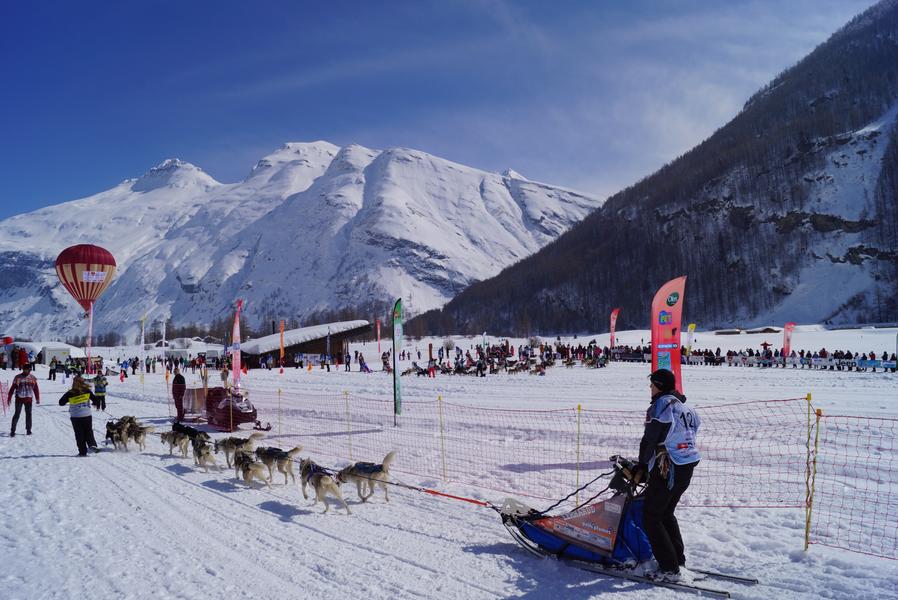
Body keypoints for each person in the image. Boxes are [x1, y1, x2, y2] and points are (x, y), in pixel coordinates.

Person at [635, 368, 701, 582]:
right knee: (666, 513)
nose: (650, 387)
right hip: (687, 463)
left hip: (668, 467)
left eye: (652, 384)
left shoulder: (661, 405)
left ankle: (669, 569)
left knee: (651, 517)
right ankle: (677, 560)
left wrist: (642, 465)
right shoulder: (687, 407)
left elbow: (650, 438)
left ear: (660, 385)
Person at [58, 375, 99, 456]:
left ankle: (82, 452)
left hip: (76, 416)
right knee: (88, 431)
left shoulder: (71, 392)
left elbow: (61, 402)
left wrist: (69, 399)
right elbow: (96, 400)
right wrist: (94, 403)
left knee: (79, 434)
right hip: (87, 415)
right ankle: (92, 444)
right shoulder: (87, 391)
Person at [8, 363, 40, 436]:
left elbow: (36, 389)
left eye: (30, 370)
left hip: (28, 399)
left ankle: (28, 430)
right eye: (28, 369)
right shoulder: (18, 377)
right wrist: (9, 397)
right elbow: (12, 388)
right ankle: (13, 430)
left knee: (29, 414)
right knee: (17, 414)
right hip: (19, 399)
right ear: (24, 369)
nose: (29, 371)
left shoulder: (32, 378)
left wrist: (37, 398)